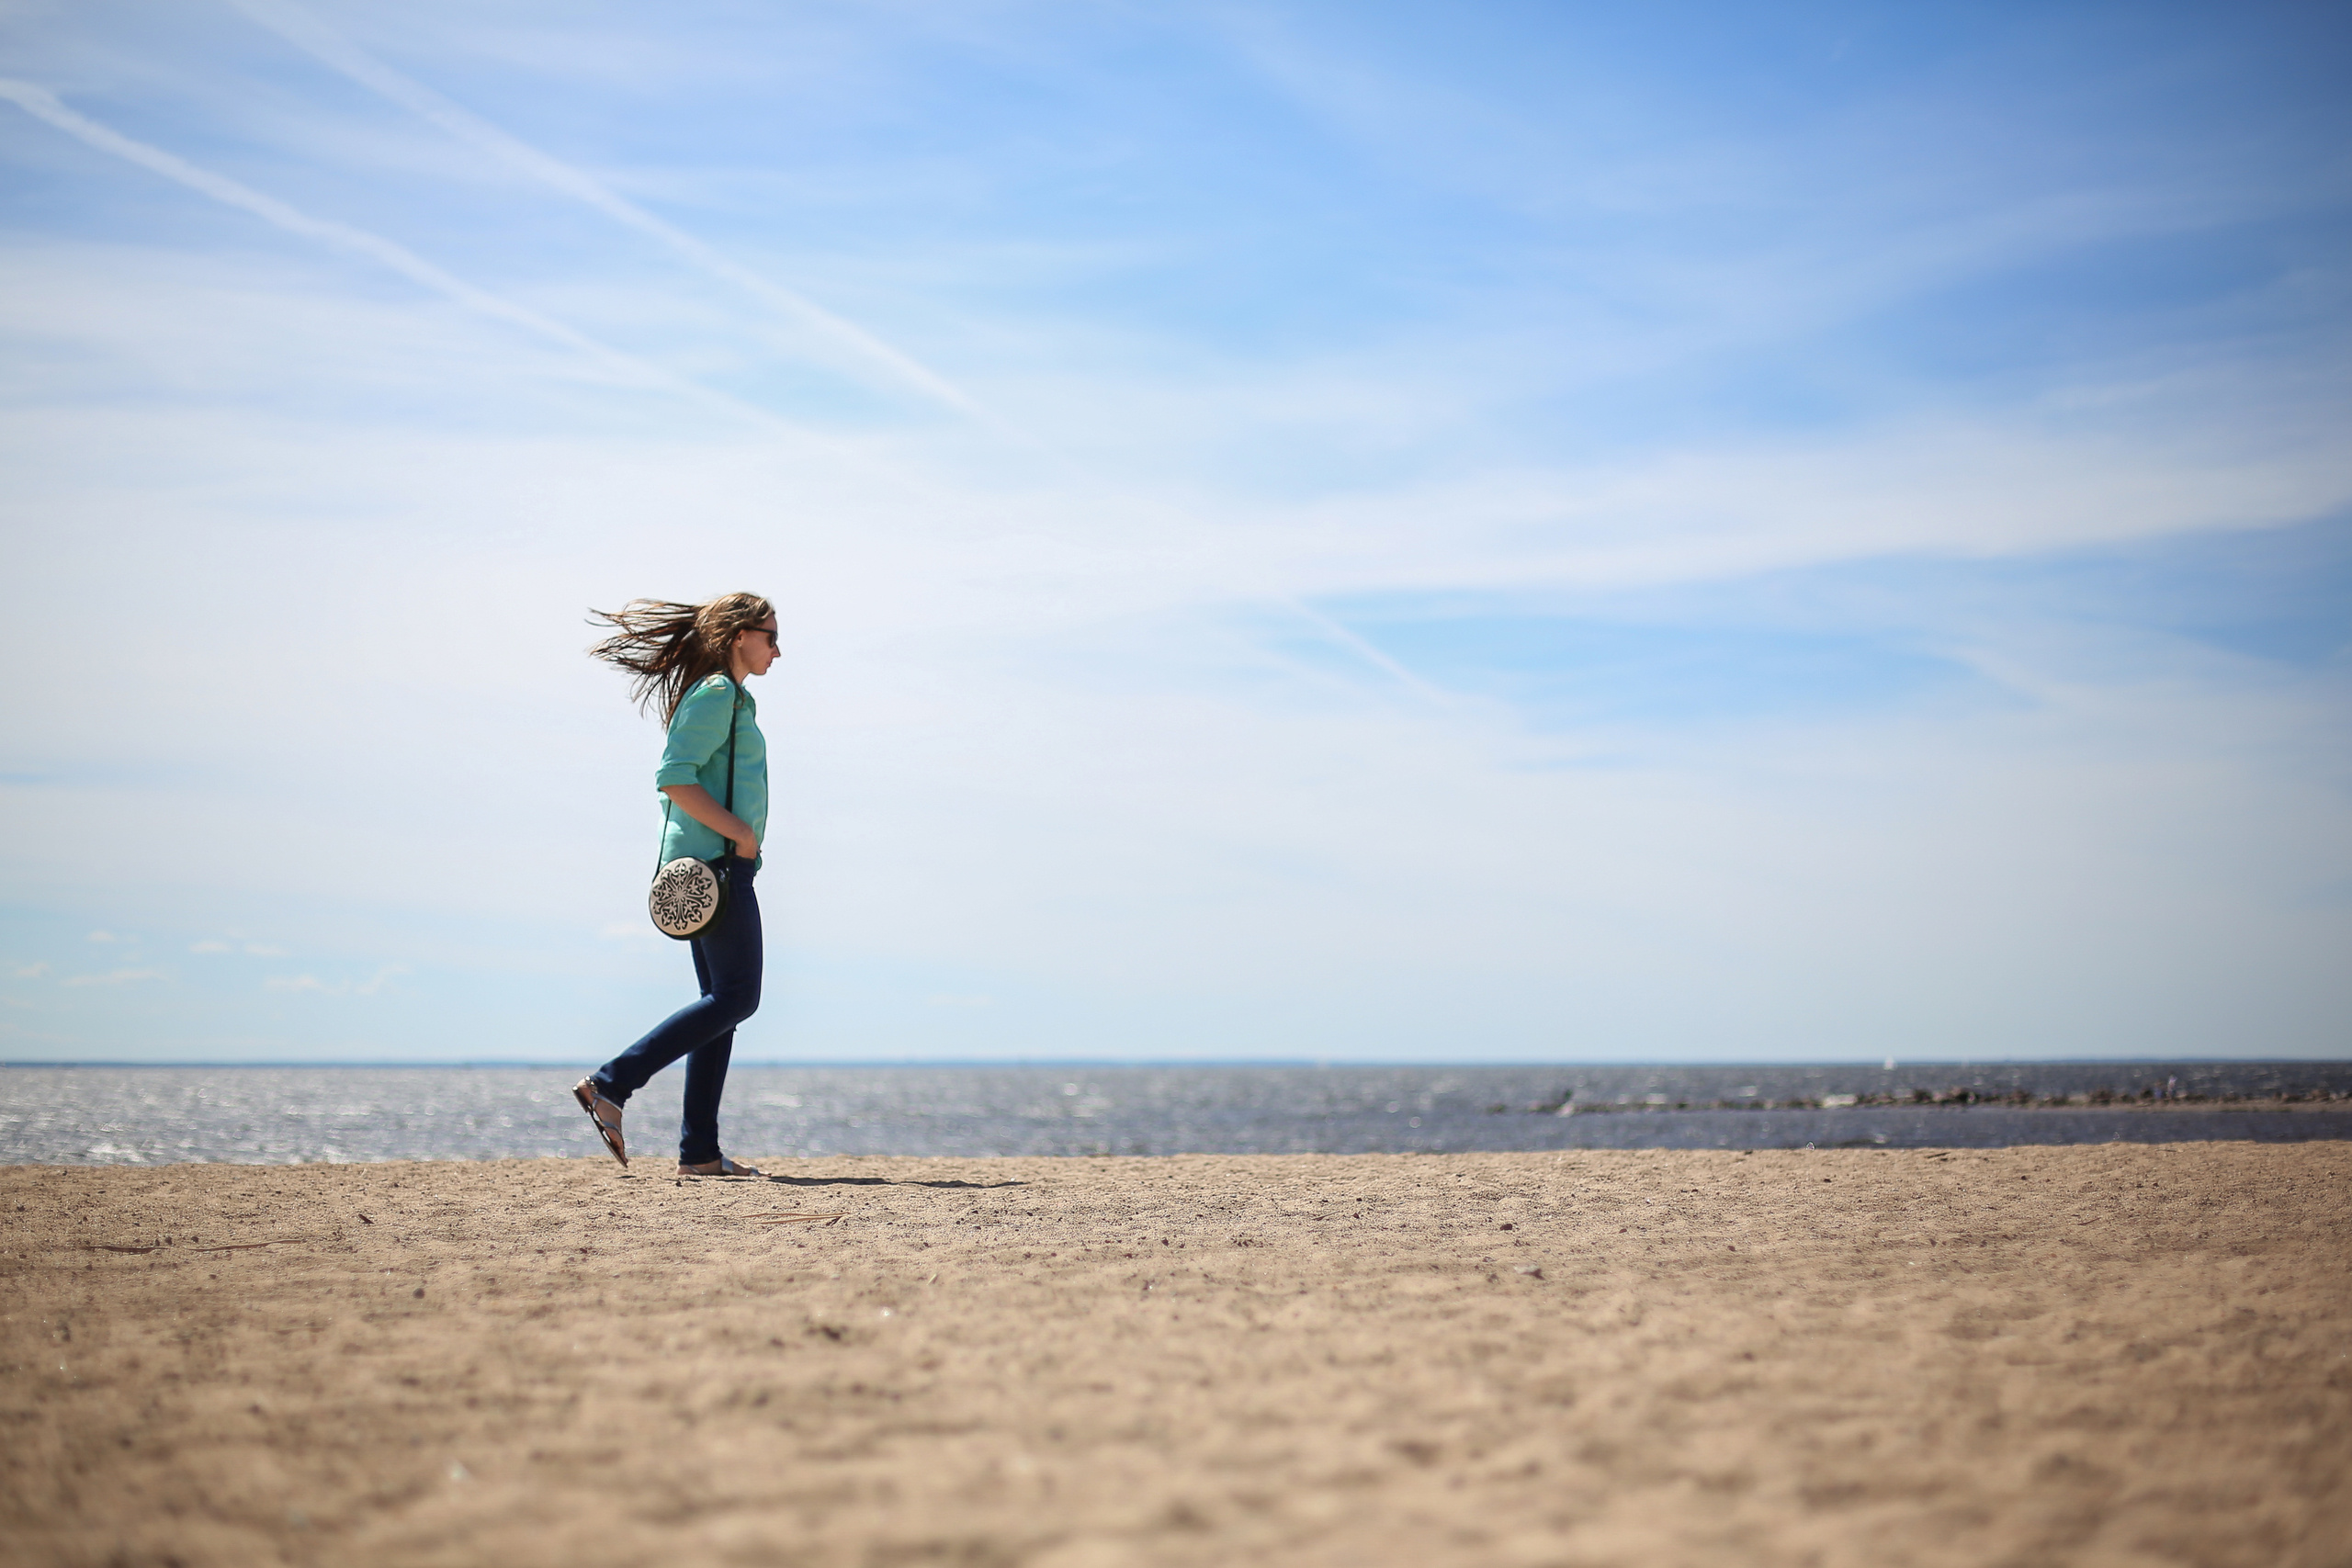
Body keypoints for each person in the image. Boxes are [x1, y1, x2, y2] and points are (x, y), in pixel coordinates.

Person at [572, 592, 778, 1177]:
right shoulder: (718, 694)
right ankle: (611, 1083)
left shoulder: (734, 698)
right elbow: (674, 778)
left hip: (708, 868)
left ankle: (699, 1152)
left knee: (723, 1006)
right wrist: (741, 836)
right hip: (715, 867)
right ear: (741, 635)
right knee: (739, 997)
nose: (778, 650)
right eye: (771, 635)